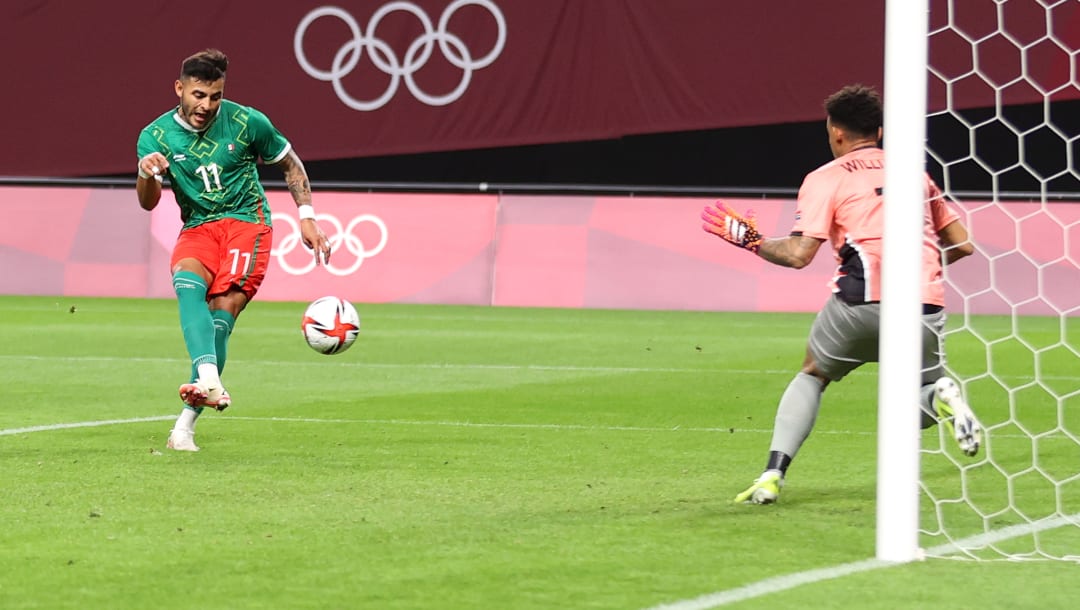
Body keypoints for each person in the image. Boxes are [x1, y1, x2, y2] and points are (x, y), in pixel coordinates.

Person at [701, 84, 983, 504]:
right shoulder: (914, 172)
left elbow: (799, 254)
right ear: (880, 132)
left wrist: (751, 241)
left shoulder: (825, 178)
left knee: (813, 373)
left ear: (835, 132)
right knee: (915, 395)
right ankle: (941, 397)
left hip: (860, 303)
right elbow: (962, 245)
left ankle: (772, 475)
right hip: (924, 305)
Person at [136, 49, 331, 452]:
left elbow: (290, 164)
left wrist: (307, 216)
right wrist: (146, 173)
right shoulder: (154, 136)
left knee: (223, 311)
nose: (206, 106)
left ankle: (184, 427)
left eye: (215, 96)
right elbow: (148, 202)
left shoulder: (247, 122)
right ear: (180, 89)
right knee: (186, 282)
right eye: (198, 95)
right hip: (199, 227)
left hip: (247, 223)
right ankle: (208, 378)